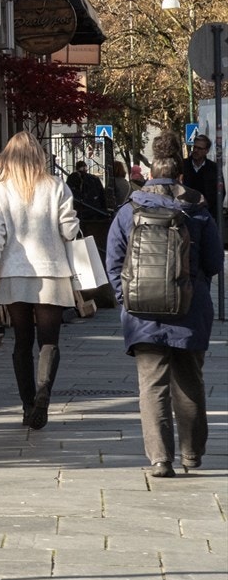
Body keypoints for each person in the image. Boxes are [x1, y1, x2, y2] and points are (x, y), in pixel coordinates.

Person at [105, 131, 221, 477]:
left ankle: (160, 458)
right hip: (189, 310)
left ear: (150, 172)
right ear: (180, 175)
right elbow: (215, 262)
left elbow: (113, 261)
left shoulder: (129, 210)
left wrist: (127, 299)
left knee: (151, 384)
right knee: (189, 381)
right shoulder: (197, 209)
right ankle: (191, 454)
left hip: (143, 313)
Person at [0, 131, 80, 430]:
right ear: (39, 156)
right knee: (49, 341)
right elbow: (69, 231)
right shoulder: (57, 187)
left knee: (21, 343)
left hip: (13, 273)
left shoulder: (2, 190)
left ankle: (27, 406)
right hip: (51, 272)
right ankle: (43, 395)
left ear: (8, 158)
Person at [180, 134, 222, 218]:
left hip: (207, 214)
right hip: (185, 213)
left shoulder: (214, 168)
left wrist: (210, 206)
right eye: (195, 147)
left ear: (206, 151)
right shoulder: (183, 165)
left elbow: (220, 192)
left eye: (199, 148)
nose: (196, 150)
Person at [66, 161, 109, 231]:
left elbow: (69, 196)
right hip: (94, 214)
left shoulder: (72, 178)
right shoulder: (94, 179)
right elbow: (102, 198)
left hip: (80, 214)